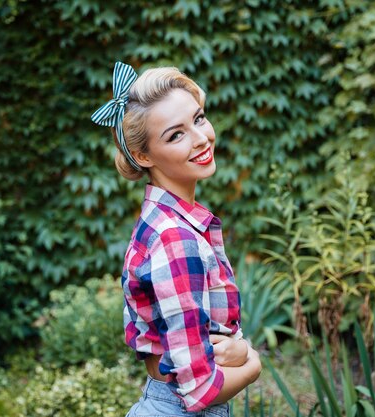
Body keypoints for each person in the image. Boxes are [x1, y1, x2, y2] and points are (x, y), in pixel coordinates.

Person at [92, 62, 262, 416]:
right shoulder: (174, 238)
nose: (201, 138)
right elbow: (198, 391)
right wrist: (251, 363)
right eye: (175, 134)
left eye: (198, 119)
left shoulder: (165, 224)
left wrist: (235, 348)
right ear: (142, 156)